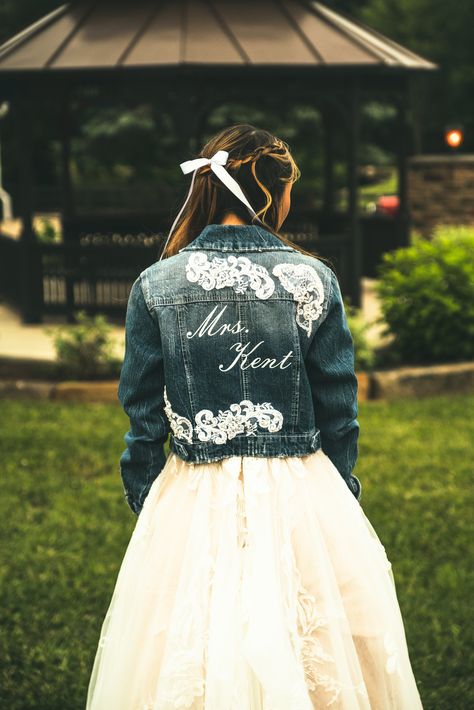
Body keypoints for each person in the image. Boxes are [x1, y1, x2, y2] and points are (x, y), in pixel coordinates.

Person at [85, 124, 424, 709]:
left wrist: (150, 499)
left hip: (194, 493)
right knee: (308, 639)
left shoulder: (157, 285)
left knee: (197, 640)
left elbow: (142, 414)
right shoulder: (312, 280)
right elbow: (339, 408)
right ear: (270, 193)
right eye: (290, 189)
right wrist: (339, 493)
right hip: (300, 490)